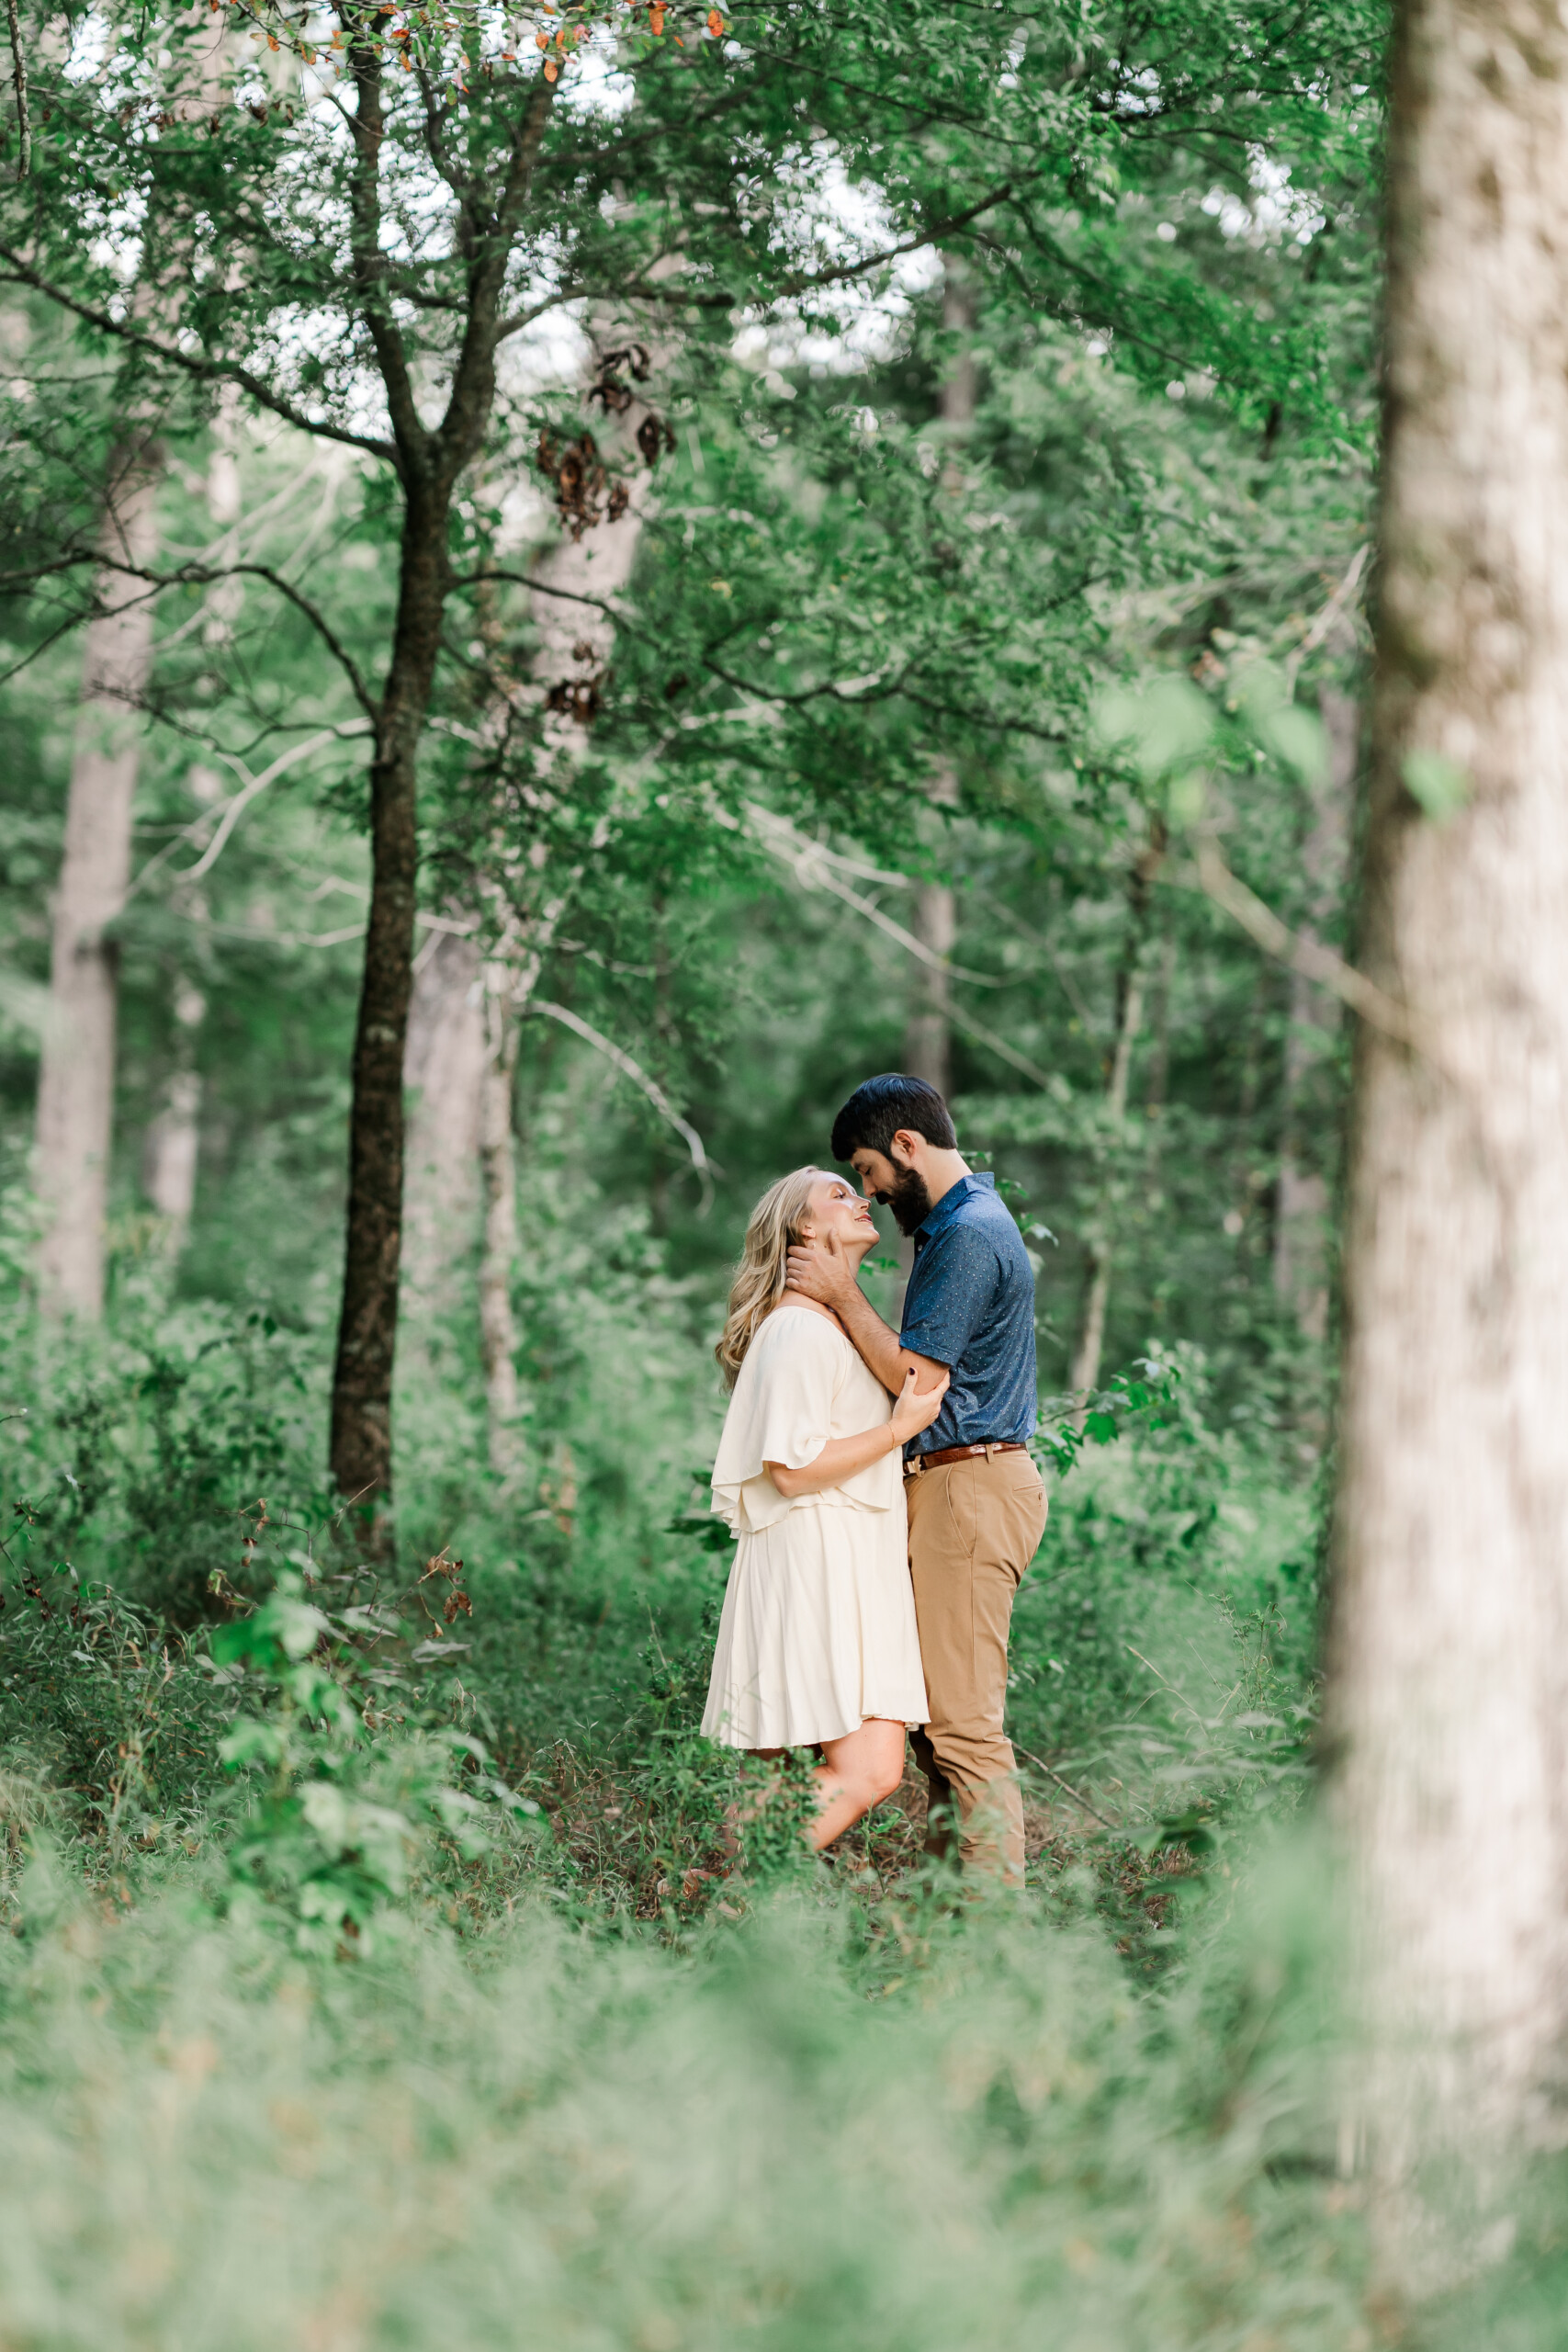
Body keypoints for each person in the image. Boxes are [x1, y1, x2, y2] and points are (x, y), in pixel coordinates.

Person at [785, 1074, 1046, 1883]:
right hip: (957, 1488)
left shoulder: (968, 1232)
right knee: (937, 1734)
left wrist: (837, 1290)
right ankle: (941, 1930)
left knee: (964, 1734)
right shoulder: (959, 1225)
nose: (867, 1189)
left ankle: (992, 1945)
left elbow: (915, 1381)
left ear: (906, 1146)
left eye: (867, 1170)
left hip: (969, 1489)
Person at [703, 1165, 949, 1852]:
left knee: (777, 1779)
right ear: (803, 1228)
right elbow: (790, 1469)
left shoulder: (826, 1324)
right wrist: (899, 1430)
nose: (862, 1197)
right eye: (838, 1192)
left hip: (836, 1555)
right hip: (820, 1558)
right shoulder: (799, 1330)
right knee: (868, 1769)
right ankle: (727, 1898)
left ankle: (700, 1909)